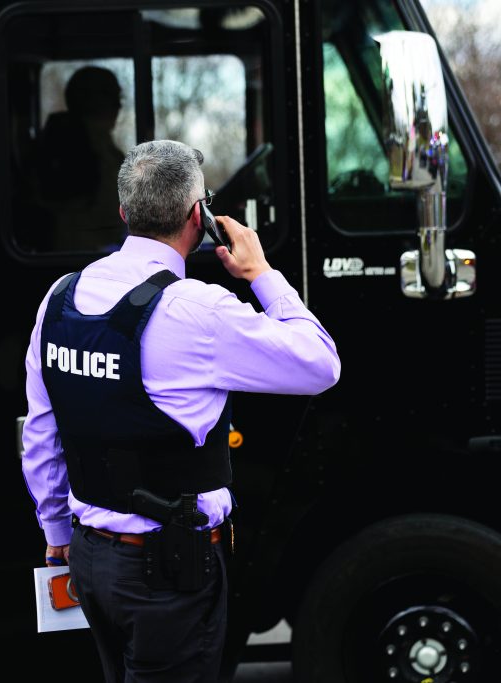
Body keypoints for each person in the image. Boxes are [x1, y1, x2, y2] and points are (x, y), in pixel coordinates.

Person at [21, 140, 340, 682]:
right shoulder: (197, 308)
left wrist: (56, 534)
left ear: (124, 213)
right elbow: (321, 364)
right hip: (167, 572)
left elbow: (42, 433)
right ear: (200, 216)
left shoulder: (61, 297)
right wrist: (260, 271)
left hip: (89, 558)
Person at [35, 66, 127, 252]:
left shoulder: (102, 145)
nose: (118, 105)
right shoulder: (68, 147)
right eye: (110, 96)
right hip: (81, 258)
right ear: (88, 99)